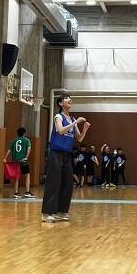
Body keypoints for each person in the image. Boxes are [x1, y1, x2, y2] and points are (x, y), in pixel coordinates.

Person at [41, 92, 90, 223]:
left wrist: (84, 129)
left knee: (68, 183)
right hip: (56, 154)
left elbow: (79, 138)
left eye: (70, 98)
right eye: (67, 98)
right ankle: (47, 213)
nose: (70, 100)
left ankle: (61, 211)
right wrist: (76, 123)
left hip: (67, 155)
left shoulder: (73, 119)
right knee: (54, 182)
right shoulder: (59, 116)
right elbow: (61, 130)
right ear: (61, 103)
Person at [3, 127, 33, 199]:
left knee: (16, 176)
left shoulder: (14, 140)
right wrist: (26, 157)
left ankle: (16, 193)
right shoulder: (27, 140)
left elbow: (9, 150)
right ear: (24, 133)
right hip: (23, 161)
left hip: (15, 161)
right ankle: (27, 192)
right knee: (27, 175)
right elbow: (29, 148)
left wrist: (5, 158)